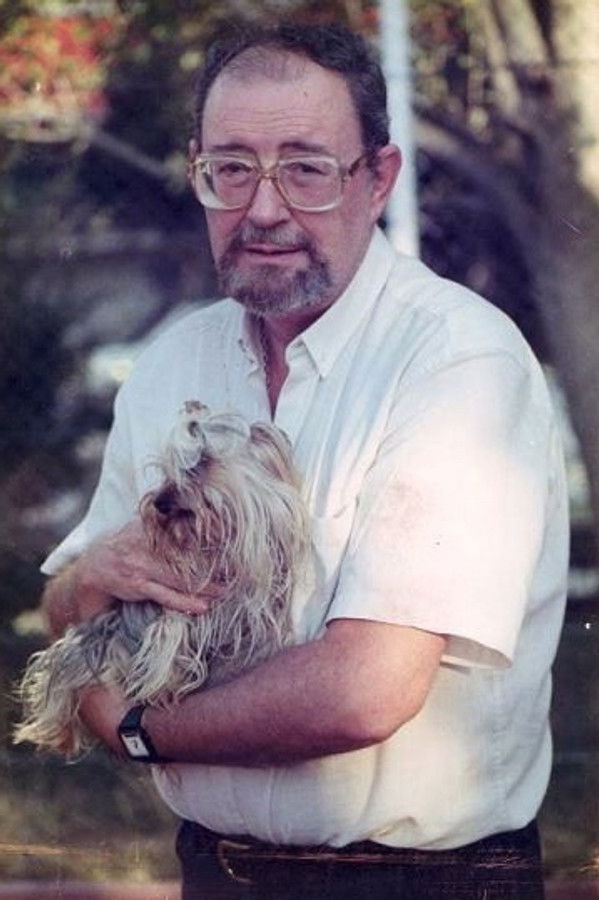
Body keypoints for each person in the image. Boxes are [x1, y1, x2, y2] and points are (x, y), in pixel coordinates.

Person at [41, 21, 568, 900]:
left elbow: (364, 688)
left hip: (417, 883)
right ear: (197, 174)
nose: (265, 208)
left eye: (306, 168)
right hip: (216, 868)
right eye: (232, 168)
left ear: (378, 180)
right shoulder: (172, 366)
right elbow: (66, 605)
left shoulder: (454, 361)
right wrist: (91, 576)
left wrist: (139, 729)